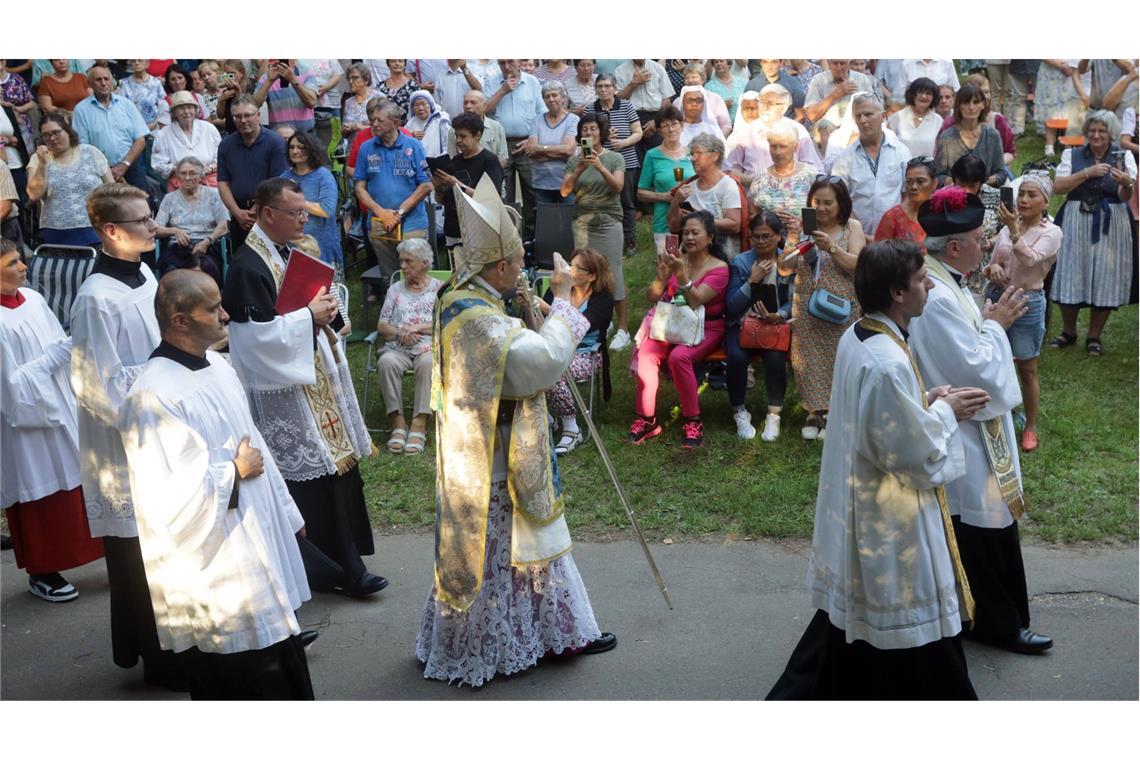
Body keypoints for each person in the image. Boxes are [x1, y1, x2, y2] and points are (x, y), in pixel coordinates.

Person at [416, 176, 616, 687]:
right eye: (515, 264)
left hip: (488, 439)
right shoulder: (477, 317)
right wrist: (566, 300)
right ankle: (498, 643)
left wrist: (528, 306)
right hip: (493, 449)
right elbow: (540, 363)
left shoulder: (459, 294)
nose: (519, 269)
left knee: (528, 536)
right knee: (509, 539)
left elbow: (515, 346)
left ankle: (552, 631)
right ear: (500, 265)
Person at [767, 239, 987, 700]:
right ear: (898, 293)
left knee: (853, 625)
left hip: (860, 496)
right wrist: (948, 414)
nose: (929, 284)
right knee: (906, 618)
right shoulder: (885, 360)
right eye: (920, 279)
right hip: (890, 515)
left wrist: (924, 402)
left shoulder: (861, 333)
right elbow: (914, 455)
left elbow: (873, 420)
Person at [118, 269, 314, 700]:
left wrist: (287, 512)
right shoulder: (154, 395)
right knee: (238, 672)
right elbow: (163, 498)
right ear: (180, 321)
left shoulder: (219, 368)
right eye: (213, 308)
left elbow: (254, 441)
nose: (226, 315)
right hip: (216, 561)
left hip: (254, 527)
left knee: (281, 659)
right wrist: (233, 471)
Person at [222, 177, 385, 599]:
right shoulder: (246, 265)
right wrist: (306, 318)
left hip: (312, 380)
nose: (303, 219)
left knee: (338, 471)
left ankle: (348, 562)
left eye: (304, 212)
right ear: (267, 213)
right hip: (285, 393)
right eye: (296, 213)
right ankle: (333, 569)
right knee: (314, 481)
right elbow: (250, 340)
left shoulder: (283, 253)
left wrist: (324, 311)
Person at [911, 185, 1053, 656]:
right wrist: (998, 324)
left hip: (977, 426)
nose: (987, 243)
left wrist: (990, 320)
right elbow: (973, 368)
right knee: (980, 524)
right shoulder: (935, 295)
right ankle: (996, 624)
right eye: (978, 237)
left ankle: (987, 615)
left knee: (983, 522)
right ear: (954, 247)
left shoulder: (948, 279)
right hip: (966, 426)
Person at [70, 184, 183, 688]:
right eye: (142, 221)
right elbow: (95, 383)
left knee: (169, 543)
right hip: (126, 444)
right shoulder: (95, 298)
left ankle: (184, 641)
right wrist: (146, 420)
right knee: (138, 554)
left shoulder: (140, 270)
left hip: (160, 422)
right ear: (111, 231)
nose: (152, 226)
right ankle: (157, 660)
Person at [1, 239, 104, 603]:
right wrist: (56, 356)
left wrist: (67, 351)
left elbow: (57, 342)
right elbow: (8, 385)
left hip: (57, 400)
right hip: (24, 422)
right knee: (39, 487)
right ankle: (43, 569)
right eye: (13, 262)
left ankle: (100, 551)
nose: (24, 267)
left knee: (78, 477)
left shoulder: (33, 300)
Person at [629, 210, 730, 450]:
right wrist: (662, 278)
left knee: (679, 357)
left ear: (710, 237)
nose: (690, 237)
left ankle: (693, 421)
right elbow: (652, 297)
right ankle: (647, 419)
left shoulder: (720, 268)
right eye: (686, 233)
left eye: (696, 232)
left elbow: (696, 301)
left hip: (707, 326)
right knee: (646, 354)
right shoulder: (677, 261)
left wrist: (681, 275)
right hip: (672, 322)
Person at [983, 172, 1062, 452]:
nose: (1024, 200)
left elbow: (1031, 260)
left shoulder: (1051, 232)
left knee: (1027, 368)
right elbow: (993, 264)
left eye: (1032, 195)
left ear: (1045, 202)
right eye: (1022, 194)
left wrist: (1014, 229)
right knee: (991, 360)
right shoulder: (1007, 228)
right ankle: (997, 415)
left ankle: (1030, 426)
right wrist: (991, 269)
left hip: (1027, 301)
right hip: (997, 297)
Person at [1047, 110, 1137, 356]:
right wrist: (1087, 173)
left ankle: (1094, 336)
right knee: (1071, 270)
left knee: (1106, 274)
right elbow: (1057, 187)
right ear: (1086, 133)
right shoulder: (1072, 154)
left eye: (1102, 131)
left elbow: (1124, 197)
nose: (1096, 135)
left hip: (1112, 219)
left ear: (1111, 134)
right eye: (1092, 131)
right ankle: (1068, 331)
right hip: (1076, 218)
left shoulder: (1123, 155)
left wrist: (1126, 183)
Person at [786, 175, 866, 440]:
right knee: (807, 358)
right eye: (816, 201)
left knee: (838, 357)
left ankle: (835, 409)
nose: (821, 208)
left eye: (828, 203)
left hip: (842, 305)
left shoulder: (852, 227)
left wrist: (831, 248)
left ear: (841, 204)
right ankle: (813, 409)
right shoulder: (803, 227)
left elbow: (858, 265)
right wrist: (792, 238)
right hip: (807, 304)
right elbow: (784, 268)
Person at [725, 211, 796, 441]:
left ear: (778, 237)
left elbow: (792, 300)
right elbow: (732, 307)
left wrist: (779, 314)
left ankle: (773, 414)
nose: (762, 242)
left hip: (773, 325)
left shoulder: (787, 261)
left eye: (767, 236)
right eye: (757, 236)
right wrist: (751, 281)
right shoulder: (741, 262)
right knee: (736, 356)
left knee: (776, 357)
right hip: (743, 324)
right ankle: (739, 412)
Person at [539, 248, 615, 455]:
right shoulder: (558, 290)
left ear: (591, 275)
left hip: (586, 354)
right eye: (569, 264)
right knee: (527, 363)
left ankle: (572, 427)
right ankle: (545, 417)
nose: (568, 269)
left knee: (555, 369)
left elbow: (580, 328)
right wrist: (530, 307)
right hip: (554, 348)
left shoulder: (603, 300)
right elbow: (541, 328)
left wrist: (549, 309)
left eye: (574, 267)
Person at [562, 113, 628, 349]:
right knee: (583, 272)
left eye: (592, 129)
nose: (588, 134)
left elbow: (618, 187)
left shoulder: (614, 158)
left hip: (608, 219)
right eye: (584, 131)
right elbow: (564, 191)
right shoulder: (574, 161)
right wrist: (580, 168)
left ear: (601, 132)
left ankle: (622, 327)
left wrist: (599, 167)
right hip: (582, 221)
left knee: (613, 271)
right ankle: (599, 319)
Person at [354, 98, 434, 288]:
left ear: (396, 123)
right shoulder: (366, 148)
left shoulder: (413, 146)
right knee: (390, 278)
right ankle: (394, 312)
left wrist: (398, 213)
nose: (374, 124)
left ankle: (422, 314)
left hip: (412, 223)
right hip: (379, 223)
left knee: (416, 274)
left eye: (380, 120)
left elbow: (426, 185)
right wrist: (381, 212)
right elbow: (359, 186)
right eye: (373, 119)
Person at [373, 238, 442, 455]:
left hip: (427, 347)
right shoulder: (395, 290)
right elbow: (382, 325)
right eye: (401, 261)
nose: (402, 266)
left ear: (424, 263)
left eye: (408, 262)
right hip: (397, 347)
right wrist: (401, 332)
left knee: (429, 363)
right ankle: (398, 423)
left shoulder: (439, 290)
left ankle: (419, 424)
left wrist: (419, 328)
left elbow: (446, 323)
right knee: (386, 362)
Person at [25, 113, 114, 246]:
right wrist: (43, 164)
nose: (52, 138)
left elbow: (111, 190)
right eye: (46, 135)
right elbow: (33, 195)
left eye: (56, 132)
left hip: (96, 227)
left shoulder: (90, 152)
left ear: (68, 131)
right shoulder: (38, 159)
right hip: (56, 233)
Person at [831, 92, 911, 236]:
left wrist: (897, 225)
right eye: (858, 116)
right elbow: (839, 199)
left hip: (895, 234)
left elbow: (908, 194)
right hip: (856, 236)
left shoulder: (900, 152)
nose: (862, 120)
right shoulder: (845, 157)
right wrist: (858, 233)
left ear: (883, 117)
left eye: (868, 114)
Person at [483, 59, 545, 239]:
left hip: (527, 143)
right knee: (504, 193)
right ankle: (510, 239)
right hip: (500, 144)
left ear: (519, 61)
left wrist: (532, 139)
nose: (507, 66)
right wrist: (502, 91)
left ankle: (533, 238)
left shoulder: (531, 81)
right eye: (502, 63)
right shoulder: (492, 81)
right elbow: (484, 110)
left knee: (532, 191)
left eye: (511, 61)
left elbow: (541, 114)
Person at [217, 95, 289, 249]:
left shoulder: (275, 142)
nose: (243, 120)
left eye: (248, 115)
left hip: (269, 211)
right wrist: (237, 213)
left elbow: (277, 181)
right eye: (237, 116)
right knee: (241, 260)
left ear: (258, 116)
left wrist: (255, 210)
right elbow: (223, 182)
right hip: (238, 214)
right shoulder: (225, 145)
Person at [584, 73, 642, 252]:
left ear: (615, 88)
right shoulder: (590, 110)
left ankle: (630, 242)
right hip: (599, 163)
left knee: (627, 203)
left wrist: (622, 142)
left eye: (607, 86)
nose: (604, 89)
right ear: (595, 89)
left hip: (627, 161)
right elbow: (584, 138)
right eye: (600, 86)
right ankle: (603, 241)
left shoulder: (626, 106)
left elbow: (638, 132)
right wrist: (604, 135)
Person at [154, 157, 229, 290]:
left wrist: (207, 241)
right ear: (177, 176)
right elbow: (156, 229)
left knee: (207, 268)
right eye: (183, 173)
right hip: (179, 248)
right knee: (171, 271)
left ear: (200, 176)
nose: (188, 177)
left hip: (207, 246)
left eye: (192, 173)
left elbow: (223, 226)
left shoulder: (213, 195)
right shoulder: (169, 198)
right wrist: (175, 231)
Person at [71, 66, 150, 192]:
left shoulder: (127, 104)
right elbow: (83, 148)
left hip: (132, 167)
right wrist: (107, 171)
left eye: (106, 79)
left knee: (141, 207)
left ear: (112, 81)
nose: (103, 83)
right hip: (100, 171)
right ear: (90, 83)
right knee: (110, 210)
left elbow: (140, 139)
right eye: (98, 79)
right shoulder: (81, 110)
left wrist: (124, 165)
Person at [434, 112, 505, 251]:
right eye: (456, 136)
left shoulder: (489, 160)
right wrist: (438, 188)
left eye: (463, 136)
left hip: (480, 230)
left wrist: (456, 184)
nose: (458, 140)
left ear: (477, 136)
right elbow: (443, 200)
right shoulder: (454, 161)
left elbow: (491, 199)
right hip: (454, 228)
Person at [668, 132, 744, 259]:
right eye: (691, 154)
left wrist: (700, 219)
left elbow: (735, 225)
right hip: (692, 259)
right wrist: (676, 203)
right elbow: (674, 226)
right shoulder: (688, 187)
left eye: (698, 153)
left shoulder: (727, 185)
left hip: (722, 258)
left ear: (715, 155)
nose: (693, 158)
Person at [637, 105, 695, 256]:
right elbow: (640, 192)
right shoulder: (652, 155)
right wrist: (664, 196)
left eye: (674, 124)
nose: (671, 129)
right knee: (669, 267)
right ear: (659, 130)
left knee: (693, 270)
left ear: (681, 125)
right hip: (665, 224)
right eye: (665, 125)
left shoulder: (692, 154)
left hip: (694, 224)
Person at [282, 130, 342, 271]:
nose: (295, 151)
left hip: (322, 246)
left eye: (300, 147)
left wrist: (297, 200)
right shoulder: (284, 177)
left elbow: (326, 210)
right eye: (291, 147)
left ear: (310, 149)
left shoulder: (323, 176)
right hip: (293, 245)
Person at [934, 83, 1005, 188]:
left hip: (986, 197)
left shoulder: (992, 135)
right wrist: (959, 184)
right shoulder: (946, 137)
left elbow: (1001, 173)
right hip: (954, 196)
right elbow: (939, 176)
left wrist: (981, 183)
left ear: (983, 105)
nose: (971, 107)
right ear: (958, 106)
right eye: (966, 102)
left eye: (976, 102)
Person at [151, 90, 222, 191]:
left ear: (195, 110)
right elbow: (158, 164)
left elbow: (221, 156)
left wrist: (209, 168)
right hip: (179, 186)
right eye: (181, 108)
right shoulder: (163, 134)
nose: (186, 112)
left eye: (190, 107)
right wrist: (184, 171)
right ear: (174, 112)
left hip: (211, 183)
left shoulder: (209, 128)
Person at [747, 119, 816, 221]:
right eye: (773, 146)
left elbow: (822, 214)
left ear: (795, 147)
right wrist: (770, 217)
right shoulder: (760, 179)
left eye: (783, 146)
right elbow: (751, 216)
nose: (778, 152)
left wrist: (799, 225)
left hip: (804, 236)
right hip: (770, 236)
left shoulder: (810, 175)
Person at [526, 81, 579, 206]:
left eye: (554, 95)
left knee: (567, 220)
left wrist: (541, 149)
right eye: (547, 96)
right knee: (545, 221)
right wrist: (561, 154)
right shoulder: (537, 120)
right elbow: (530, 151)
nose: (551, 99)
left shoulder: (573, 120)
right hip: (541, 182)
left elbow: (569, 151)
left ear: (563, 98)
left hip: (567, 180)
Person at [874, 156, 937, 249]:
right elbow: (879, 256)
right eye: (909, 181)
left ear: (934, 184)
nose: (913, 187)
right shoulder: (892, 217)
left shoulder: (943, 214)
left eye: (920, 181)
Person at [1035, 60, 1090, 158]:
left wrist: (1072, 67)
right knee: (1050, 108)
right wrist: (1060, 65)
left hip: (1072, 72)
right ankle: (1049, 145)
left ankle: (1067, 143)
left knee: (1069, 110)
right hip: (1050, 72)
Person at [803, 59, 880, 128]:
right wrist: (834, 96)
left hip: (857, 130)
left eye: (843, 63)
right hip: (828, 131)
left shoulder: (862, 79)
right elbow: (811, 116)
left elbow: (874, 109)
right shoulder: (818, 80)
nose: (839, 68)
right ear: (829, 62)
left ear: (849, 62)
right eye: (835, 63)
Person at [446, 89, 509, 168]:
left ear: (484, 106)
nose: (468, 106)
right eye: (465, 103)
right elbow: (452, 158)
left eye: (473, 102)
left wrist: (488, 174)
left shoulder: (497, 127)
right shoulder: (454, 130)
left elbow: (503, 159)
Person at [252, 59, 317, 134]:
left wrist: (293, 80)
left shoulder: (306, 73)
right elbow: (254, 106)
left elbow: (311, 102)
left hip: (305, 135)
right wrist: (269, 81)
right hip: (278, 136)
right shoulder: (268, 76)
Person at [886, 77, 943, 159]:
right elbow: (888, 146)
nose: (924, 96)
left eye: (928, 93)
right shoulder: (897, 117)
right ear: (912, 95)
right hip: (902, 168)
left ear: (933, 98)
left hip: (928, 169)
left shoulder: (938, 120)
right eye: (920, 92)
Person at [117, 59, 166, 134]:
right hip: (133, 131)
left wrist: (154, 124)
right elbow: (122, 109)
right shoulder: (124, 84)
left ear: (147, 64)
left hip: (154, 130)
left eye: (140, 60)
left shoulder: (156, 83)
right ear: (130, 64)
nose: (137, 63)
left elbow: (163, 108)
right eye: (133, 61)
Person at [156, 64, 209, 128]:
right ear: (168, 83)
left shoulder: (198, 97)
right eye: (173, 79)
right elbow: (164, 130)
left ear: (186, 79)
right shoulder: (164, 104)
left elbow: (207, 121)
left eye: (180, 78)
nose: (177, 82)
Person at [340, 63, 380, 145]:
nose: (350, 81)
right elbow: (344, 134)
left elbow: (385, 127)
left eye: (355, 78)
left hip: (374, 147)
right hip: (354, 149)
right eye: (349, 78)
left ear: (366, 79)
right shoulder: (348, 102)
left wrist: (360, 127)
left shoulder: (378, 98)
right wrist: (345, 129)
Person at [434, 60, 482, 125]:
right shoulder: (441, 76)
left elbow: (479, 90)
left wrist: (465, 69)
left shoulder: (475, 69)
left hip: (470, 125)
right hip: (448, 125)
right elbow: (437, 105)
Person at [405, 89, 451, 158]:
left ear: (430, 104)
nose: (420, 108)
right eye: (416, 105)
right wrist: (411, 136)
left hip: (438, 162)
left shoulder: (441, 120)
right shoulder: (410, 124)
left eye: (423, 104)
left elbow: (448, 144)